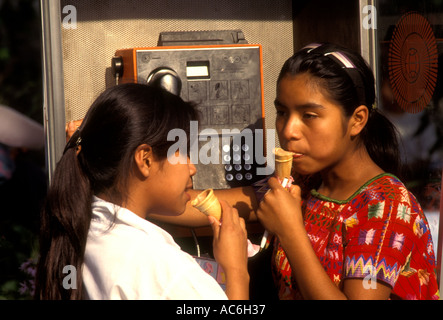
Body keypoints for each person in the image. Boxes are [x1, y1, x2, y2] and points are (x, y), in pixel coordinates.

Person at [150, 43, 439, 300]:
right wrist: (135, 197)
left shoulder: (385, 206)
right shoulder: (305, 183)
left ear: (357, 120)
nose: (288, 131)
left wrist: (290, 233)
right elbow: (219, 205)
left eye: (309, 116)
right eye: (282, 112)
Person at [35, 83, 249, 300]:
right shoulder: (166, 272)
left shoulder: (79, 229)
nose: (192, 167)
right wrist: (236, 270)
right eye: (181, 151)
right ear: (145, 159)